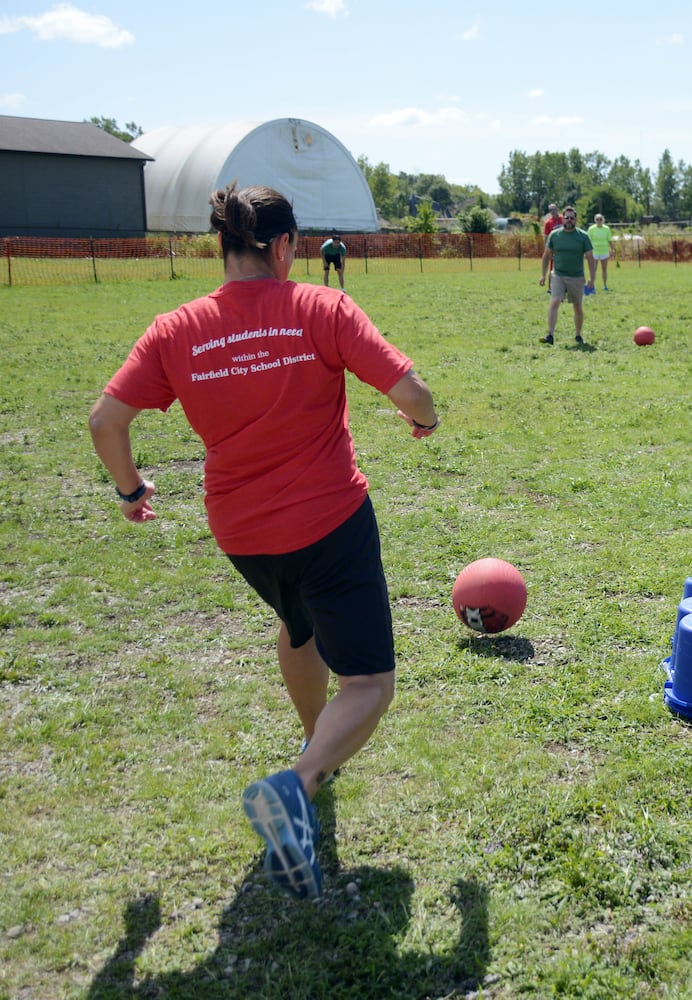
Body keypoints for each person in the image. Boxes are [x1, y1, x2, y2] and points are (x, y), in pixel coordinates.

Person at [88, 182, 440, 901]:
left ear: (222, 245)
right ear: (283, 246)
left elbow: (105, 421)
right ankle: (299, 782)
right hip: (329, 519)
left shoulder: (174, 328)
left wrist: (130, 493)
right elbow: (410, 392)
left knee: (298, 624)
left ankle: (318, 745)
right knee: (370, 681)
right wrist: (427, 422)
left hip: (242, 531)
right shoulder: (319, 305)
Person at [538, 205, 596, 345]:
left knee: (577, 306)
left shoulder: (583, 236)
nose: (569, 220)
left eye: (572, 218)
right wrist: (543, 275)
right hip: (558, 274)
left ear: (575, 220)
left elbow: (590, 257)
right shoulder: (555, 235)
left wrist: (592, 278)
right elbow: (546, 255)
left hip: (576, 276)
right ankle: (550, 335)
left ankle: (578, 335)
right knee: (555, 300)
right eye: (567, 218)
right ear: (562, 219)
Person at [587, 213, 612, 291]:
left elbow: (609, 240)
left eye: (600, 219)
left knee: (604, 269)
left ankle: (605, 285)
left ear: (603, 220)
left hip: (604, 251)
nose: (599, 221)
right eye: (597, 219)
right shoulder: (591, 229)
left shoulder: (606, 229)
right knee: (593, 269)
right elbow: (588, 241)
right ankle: (592, 286)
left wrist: (612, 249)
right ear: (595, 220)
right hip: (594, 252)